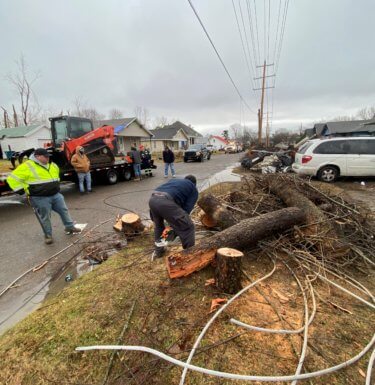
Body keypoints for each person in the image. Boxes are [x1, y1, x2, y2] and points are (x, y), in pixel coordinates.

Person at [6, 148, 81, 244]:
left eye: (48, 156)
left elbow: (56, 176)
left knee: (64, 210)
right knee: (45, 217)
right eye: (45, 157)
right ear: (37, 157)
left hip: (56, 195)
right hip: (39, 197)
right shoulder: (27, 166)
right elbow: (12, 178)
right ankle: (48, 235)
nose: (47, 158)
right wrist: (20, 190)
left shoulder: (52, 165)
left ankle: (70, 227)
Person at [149, 175, 198, 258]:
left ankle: (158, 252)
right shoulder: (193, 188)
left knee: (159, 227)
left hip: (153, 199)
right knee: (188, 227)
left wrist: (174, 222)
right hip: (165, 202)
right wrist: (179, 222)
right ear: (194, 184)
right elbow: (186, 209)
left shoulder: (176, 182)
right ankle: (189, 255)